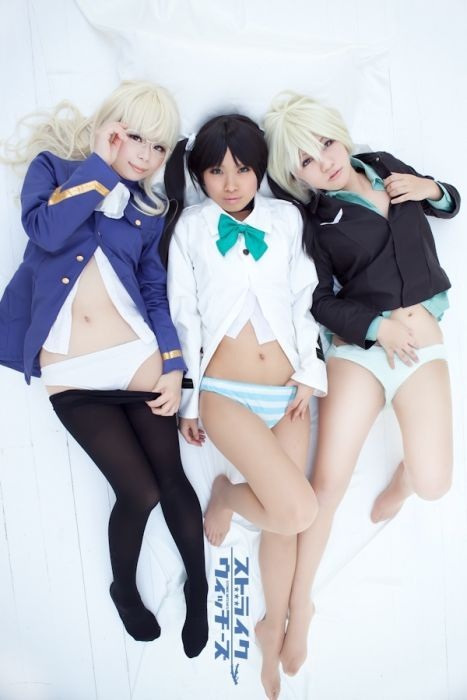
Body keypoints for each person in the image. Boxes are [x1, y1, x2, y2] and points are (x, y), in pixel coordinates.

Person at [0, 80, 208, 657]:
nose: (145, 154)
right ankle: (124, 588)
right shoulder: (55, 170)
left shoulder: (149, 210)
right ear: (110, 128)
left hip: (136, 356)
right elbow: (43, 231)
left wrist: (172, 365)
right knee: (138, 490)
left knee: (171, 478)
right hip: (71, 368)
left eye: (159, 147)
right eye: (136, 137)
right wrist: (98, 164)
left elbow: (153, 291)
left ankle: (199, 586)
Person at [263, 90, 461, 673]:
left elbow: (449, 204)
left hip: (421, 341)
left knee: (434, 485)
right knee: (326, 485)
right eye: (305, 160)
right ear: (296, 176)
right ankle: (300, 606)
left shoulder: (388, 166)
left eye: (325, 142)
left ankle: (405, 480)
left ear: (340, 134)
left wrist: (432, 189)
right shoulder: (314, 224)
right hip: (361, 351)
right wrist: (377, 328)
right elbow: (321, 302)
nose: (323, 161)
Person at [163, 113, 327, 699]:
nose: (230, 183)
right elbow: (184, 315)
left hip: (287, 390)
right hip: (225, 392)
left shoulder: (285, 219)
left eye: (242, 169)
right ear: (199, 176)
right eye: (216, 171)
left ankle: (271, 625)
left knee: (286, 523)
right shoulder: (191, 228)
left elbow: (307, 298)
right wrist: (188, 402)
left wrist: (310, 372)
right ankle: (228, 496)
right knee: (297, 510)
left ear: (260, 170)